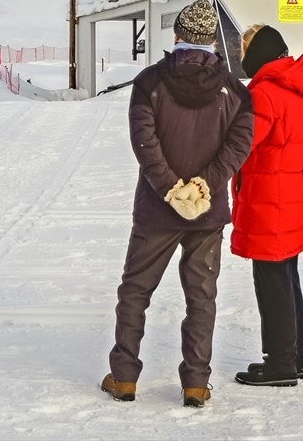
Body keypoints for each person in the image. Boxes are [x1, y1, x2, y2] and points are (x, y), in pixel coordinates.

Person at [101, 20, 253, 408]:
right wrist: (204, 186)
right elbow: (239, 146)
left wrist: (171, 188)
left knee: (135, 290)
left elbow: (143, 140)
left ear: (178, 37)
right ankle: (196, 385)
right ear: (212, 41)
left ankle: (123, 378)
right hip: (207, 213)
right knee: (201, 297)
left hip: (156, 210)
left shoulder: (149, 81)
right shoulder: (235, 90)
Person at [230, 24, 303, 388]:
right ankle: (295, 357)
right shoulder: (298, 86)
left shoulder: (266, 92)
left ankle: (280, 363)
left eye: (244, 50)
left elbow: (244, 144)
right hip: (292, 197)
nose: (241, 58)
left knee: (271, 281)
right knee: (287, 277)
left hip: (269, 201)